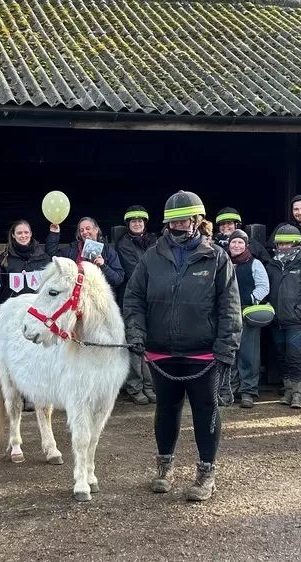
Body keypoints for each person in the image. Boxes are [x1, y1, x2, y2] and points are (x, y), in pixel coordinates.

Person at [122, 190, 241, 502]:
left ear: (198, 221)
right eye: (173, 220)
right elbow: (133, 298)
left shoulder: (217, 257)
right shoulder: (150, 257)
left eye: (184, 219)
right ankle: (164, 468)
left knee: (206, 410)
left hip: (203, 353)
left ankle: (206, 471)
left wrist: (227, 346)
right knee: (166, 409)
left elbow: (229, 306)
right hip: (162, 351)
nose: (178, 225)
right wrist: (136, 332)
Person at [0, 219, 52, 412]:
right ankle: (20, 394)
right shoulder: (4, 258)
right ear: (13, 235)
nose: (23, 236)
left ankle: (33, 394)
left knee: (36, 356)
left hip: (37, 315)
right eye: (20, 233)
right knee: (19, 358)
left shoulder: (42, 257)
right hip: (15, 316)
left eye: (26, 232)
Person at [265, 225, 301, 408]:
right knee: (281, 356)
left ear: (296, 243)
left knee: (294, 355)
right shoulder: (271, 265)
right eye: (280, 243)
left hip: (297, 321)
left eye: (287, 243)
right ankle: (288, 390)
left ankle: (298, 393)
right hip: (276, 320)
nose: (284, 247)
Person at [219, 229, 271, 408]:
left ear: (246, 245)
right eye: (234, 242)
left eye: (240, 242)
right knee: (228, 354)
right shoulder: (222, 262)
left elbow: (264, 287)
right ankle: (229, 391)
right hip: (226, 315)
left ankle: (248, 391)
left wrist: (249, 299)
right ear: (229, 244)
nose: (236, 245)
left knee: (249, 354)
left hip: (247, 313)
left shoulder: (255, 264)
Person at [115, 206, 157, 405]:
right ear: (128, 225)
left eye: (140, 220)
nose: (138, 223)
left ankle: (150, 386)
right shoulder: (123, 244)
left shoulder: (155, 242)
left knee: (150, 342)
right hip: (133, 299)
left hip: (154, 299)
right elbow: (136, 271)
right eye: (133, 221)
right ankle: (135, 387)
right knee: (134, 342)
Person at [46, 216, 125, 290]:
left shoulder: (109, 252)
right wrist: (54, 234)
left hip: (99, 295)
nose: (85, 232)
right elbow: (53, 254)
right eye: (81, 230)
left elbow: (118, 280)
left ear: (96, 230)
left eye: (88, 228)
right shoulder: (72, 250)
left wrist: (104, 266)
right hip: (76, 294)